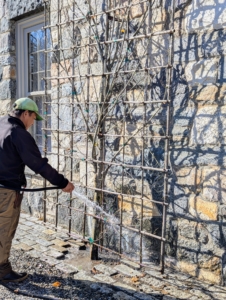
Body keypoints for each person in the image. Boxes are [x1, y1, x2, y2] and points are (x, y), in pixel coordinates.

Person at [0, 97, 74, 283]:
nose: (33, 123)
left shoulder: (1, 124)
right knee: (4, 229)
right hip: (6, 191)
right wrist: (62, 182)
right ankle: (2, 271)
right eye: (33, 118)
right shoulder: (19, 133)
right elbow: (38, 164)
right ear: (26, 113)